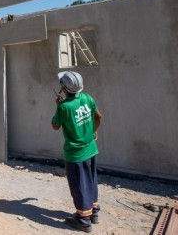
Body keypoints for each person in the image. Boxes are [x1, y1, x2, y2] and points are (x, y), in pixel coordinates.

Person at [51, 71, 102, 233]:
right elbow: (99, 117)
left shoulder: (64, 107)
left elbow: (55, 126)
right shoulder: (88, 98)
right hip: (91, 149)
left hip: (75, 154)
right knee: (91, 179)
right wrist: (93, 132)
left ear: (64, 89)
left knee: (79, 184)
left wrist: (59, 106)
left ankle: (83, 220)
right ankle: (94, 212)